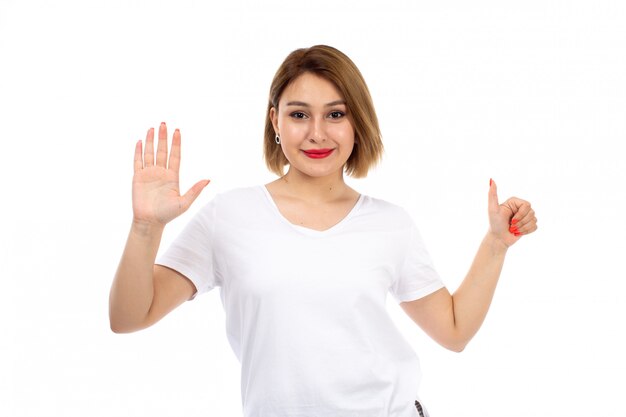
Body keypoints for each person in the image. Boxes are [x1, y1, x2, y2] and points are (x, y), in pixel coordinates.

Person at [109, 45, 537, 417]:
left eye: (335, 114)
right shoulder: (230, 215)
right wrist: (145, 228)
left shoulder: (390, 224)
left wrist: (496, 244)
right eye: (299, 114)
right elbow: (129, 318)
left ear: (357, 124)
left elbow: (455, 331)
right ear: (275, 121)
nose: (317, 133)